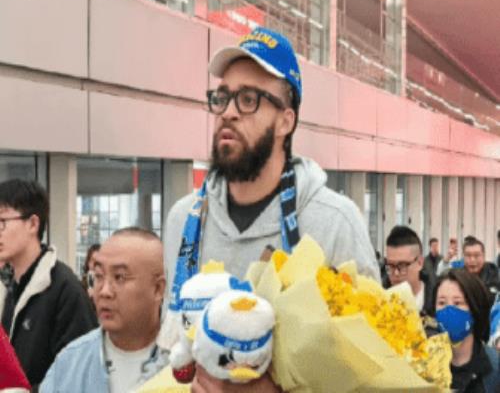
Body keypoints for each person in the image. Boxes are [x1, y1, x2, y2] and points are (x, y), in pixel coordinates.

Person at [162, 26, 379, 392]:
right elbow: (173, 349)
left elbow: (372, 369)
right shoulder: (184, 221)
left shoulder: (334, 222)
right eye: (222, 98)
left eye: (248, 99)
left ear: (285, 121)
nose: (228, 113)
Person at [40, 227, 169, 393]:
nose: (104, 291)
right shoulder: (69, 365)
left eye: (120, 277)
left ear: (158, 289)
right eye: (99, 276)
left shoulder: (187, 364)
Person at [0, 179, 97, 388]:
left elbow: (78, 376)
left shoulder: (65, 289)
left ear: (33, 224)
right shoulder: (10, 288)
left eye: (2, 222)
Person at [433, 269, 499, 392]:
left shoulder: (495, 369)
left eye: (457, 303)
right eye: (441, 303)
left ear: (474, 308)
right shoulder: (424, 364)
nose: (449, 310)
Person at [384, 226, 434, 315]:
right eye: (391, 266)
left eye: (402, 265)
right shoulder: (378, 301)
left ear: (420, 263)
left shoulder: (438, 301)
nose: (396, 273)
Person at [438, 236, 500, 301]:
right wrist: (447, 259)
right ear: (463, 257)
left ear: (483, 256)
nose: (472, 260)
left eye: (476, 255)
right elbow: (442, 275)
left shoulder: (493, 271)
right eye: (468, 255)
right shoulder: (459, 273)